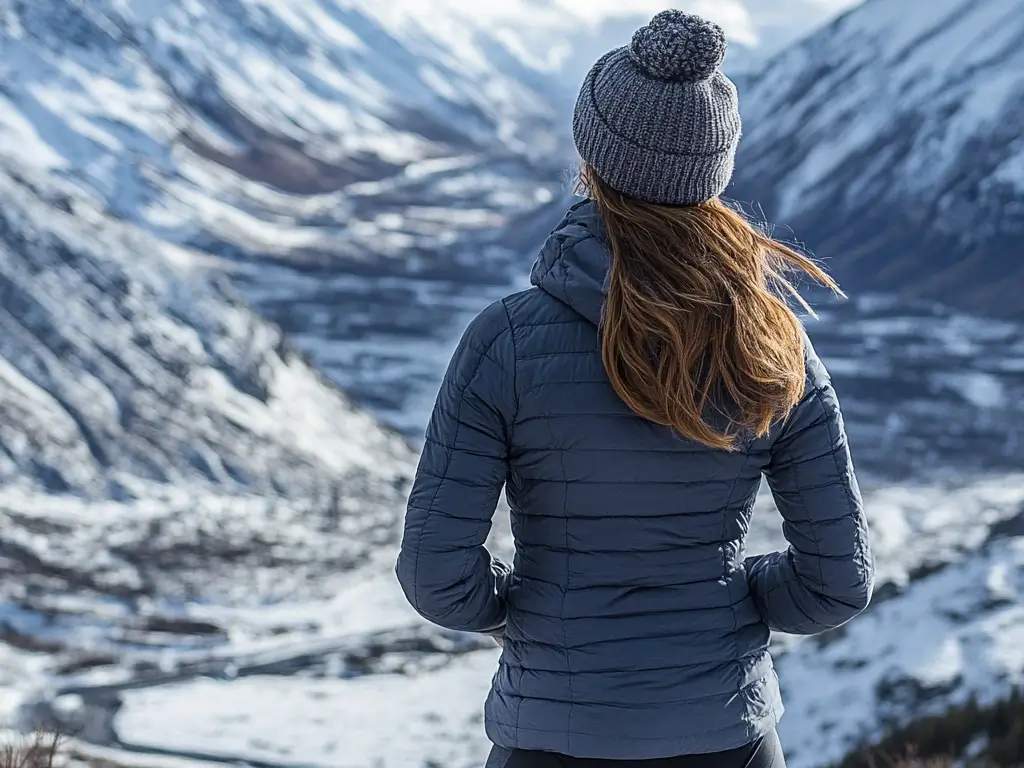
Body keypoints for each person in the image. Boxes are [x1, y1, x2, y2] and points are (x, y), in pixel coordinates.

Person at [396, 10, 874, 768]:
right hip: (731, 741)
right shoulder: (774, 343)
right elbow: (837, 582)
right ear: (713, 169)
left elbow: (434, 575)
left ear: (593, 155)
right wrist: (734, 597)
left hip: (550, 740)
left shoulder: (506, 341)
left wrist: (526, 612)